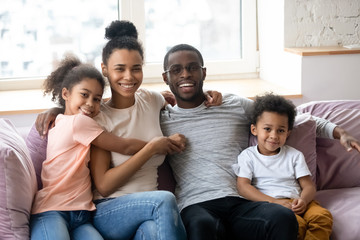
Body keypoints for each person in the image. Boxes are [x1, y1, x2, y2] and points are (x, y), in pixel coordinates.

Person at [159, 43, 360, 240]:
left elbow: (290, 117)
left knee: (282, 217)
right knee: (201, 225)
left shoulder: (233, 104)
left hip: (241, 202)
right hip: (196, 205)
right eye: (176, 70)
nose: (185, 74)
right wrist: (155, 98)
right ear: (166, 78)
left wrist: (340, 132)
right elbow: (130, 114)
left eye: (192, 67)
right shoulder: (161, 117)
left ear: (203, 73)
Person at [30, 55, 186, 240]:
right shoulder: (80, 123)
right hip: (52, 209)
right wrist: (158, 145)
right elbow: (125, 146)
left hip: (81, 215)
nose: (90, 103)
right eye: (84, 95)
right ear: (65, 94)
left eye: (96, 99)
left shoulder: (73, 120)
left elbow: (110, 107)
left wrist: (161, 96)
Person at [232, 93, 333, 240]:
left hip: (298, 201)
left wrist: (304, 201)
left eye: (280, 130)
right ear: (254, 130)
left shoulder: (294, 155)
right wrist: (273, 202)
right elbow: (243, 187)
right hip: (271, 205)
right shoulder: (248, 156)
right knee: (295, 224)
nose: (274, 135)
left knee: (323, 217)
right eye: (267, 129)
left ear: (288, 133)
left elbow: (309, 186)